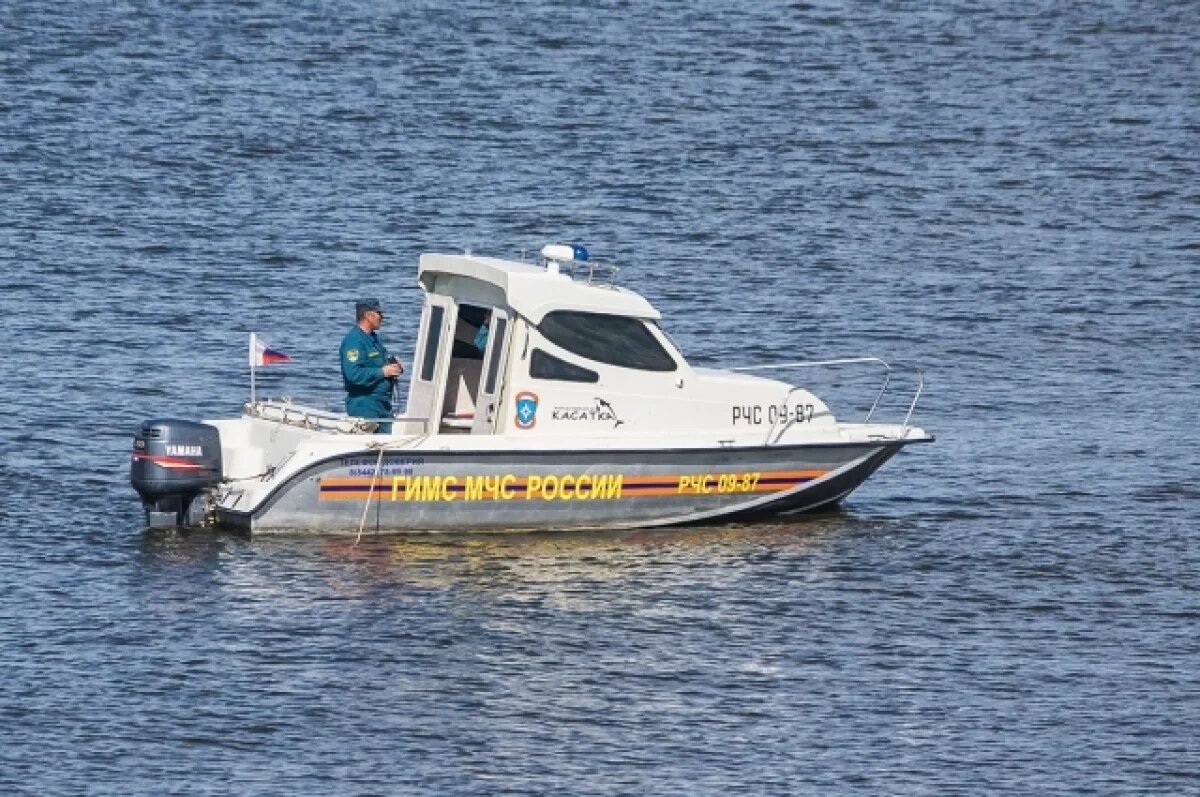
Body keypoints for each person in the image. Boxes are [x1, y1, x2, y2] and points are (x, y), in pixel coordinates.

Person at [340, 298, 403, 432]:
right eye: (379, 313)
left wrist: (394, 367)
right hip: (365, 404)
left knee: (387, 447)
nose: (382, 317)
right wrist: (382, 372)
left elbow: (377, 363)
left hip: (383, 404)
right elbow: (353, 374)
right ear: (367, 315)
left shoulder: (374, 338)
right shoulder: (354, 341)